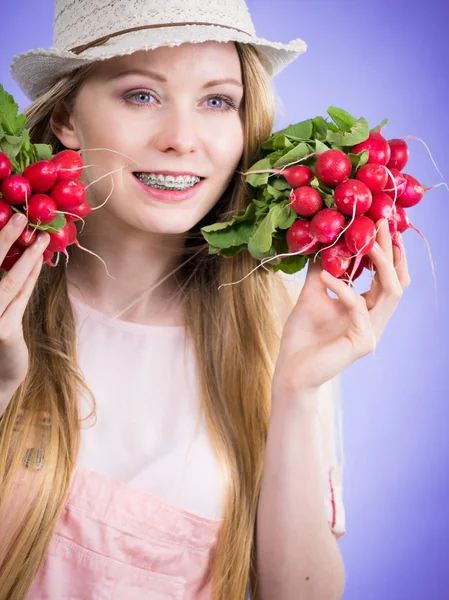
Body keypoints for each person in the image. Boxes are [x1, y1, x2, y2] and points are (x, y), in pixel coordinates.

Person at [0, 0, 410, 598]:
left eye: (217, 100)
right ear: (65, 115)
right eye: (141, 95)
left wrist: (295, 392)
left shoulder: (281, 324)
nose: (181, 140)